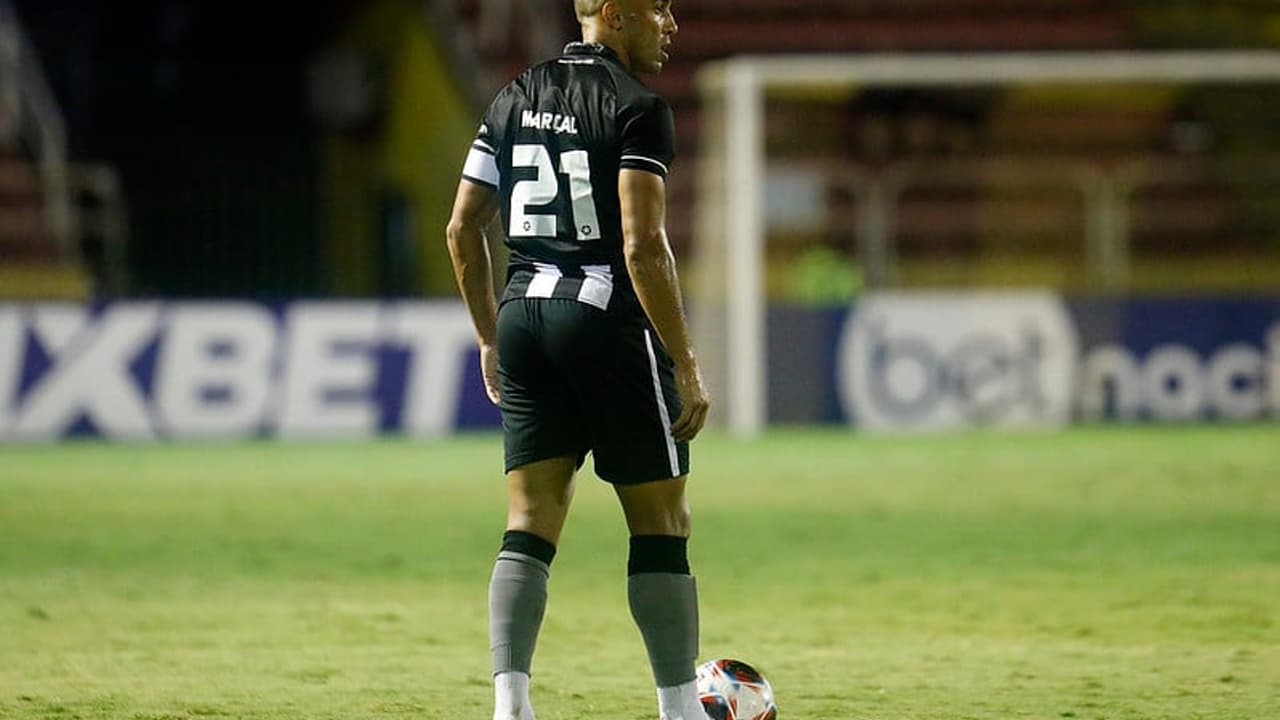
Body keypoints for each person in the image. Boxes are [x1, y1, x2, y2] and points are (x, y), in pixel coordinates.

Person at [444, 1, 711, 719]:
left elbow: (463, 226)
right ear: (617, 17)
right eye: (659, 9)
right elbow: (642, 246)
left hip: (524, 314)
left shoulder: (512, 96)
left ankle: (511, 703)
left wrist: (488, 338)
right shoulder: (637, 108)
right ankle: (682, 709)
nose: (672, 24)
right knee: (661, 523)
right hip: (603, 318)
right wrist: (684, 362)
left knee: (530, 519)